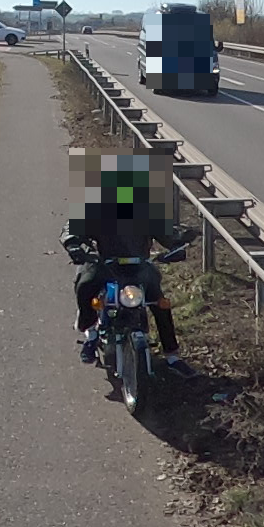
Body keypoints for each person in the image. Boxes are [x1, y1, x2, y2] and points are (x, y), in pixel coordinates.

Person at [61, 155, 199, 377]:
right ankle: (91, 334)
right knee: (85, 285)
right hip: (106, 265)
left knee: (160, 303)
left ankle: (172, 356)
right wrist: (73, 244)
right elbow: (73, 227)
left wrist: (180, 240)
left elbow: (167, 233)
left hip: (140, 268)